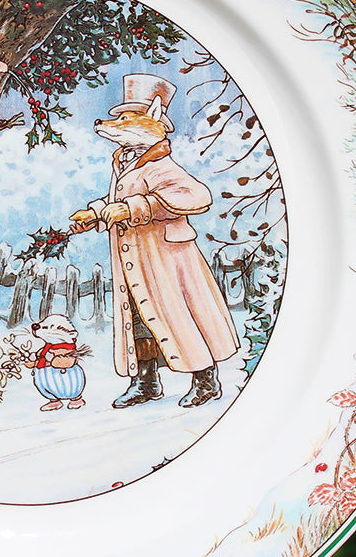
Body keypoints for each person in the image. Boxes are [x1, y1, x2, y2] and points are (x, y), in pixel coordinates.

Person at [71, 74, 239, 408]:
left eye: (125, 121)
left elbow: (195, 195)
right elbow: (121, 202)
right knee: (139, 321)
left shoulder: (161, 165)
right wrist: (96, 214)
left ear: (153, 122)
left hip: (166, 260)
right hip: (136, 260)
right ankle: (145, 382)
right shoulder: (126, 162)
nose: (111, 125)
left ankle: (206, 381)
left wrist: (137, 207)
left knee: (181, 315)